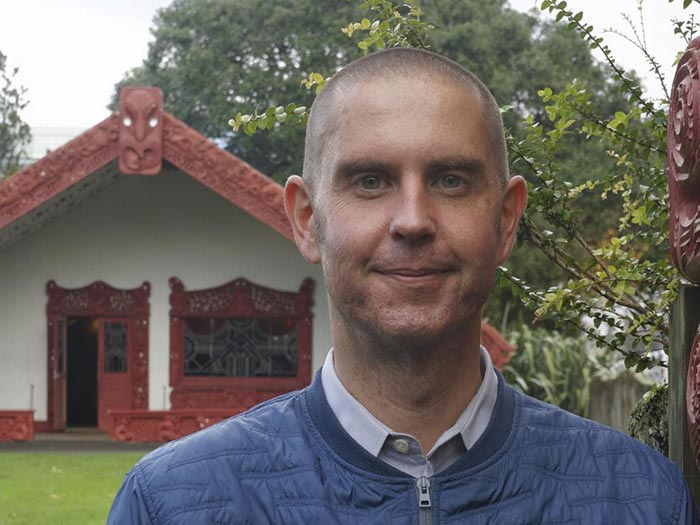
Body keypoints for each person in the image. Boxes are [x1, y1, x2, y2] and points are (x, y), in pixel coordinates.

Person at [108, 48, 697, 524]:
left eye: (450, 180)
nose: (412, 220)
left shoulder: (641, 499)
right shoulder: (173, 503)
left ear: (506, 219)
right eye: (370, 181)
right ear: (307, 220)